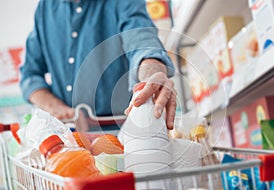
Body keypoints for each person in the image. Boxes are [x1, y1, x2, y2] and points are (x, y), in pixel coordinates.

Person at [19, 0, 176, 131]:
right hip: (68, 138)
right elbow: (29, 74)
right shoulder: (45, 8)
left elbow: (142, 42)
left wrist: (151, 75)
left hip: (123, 133)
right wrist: (55, 107)